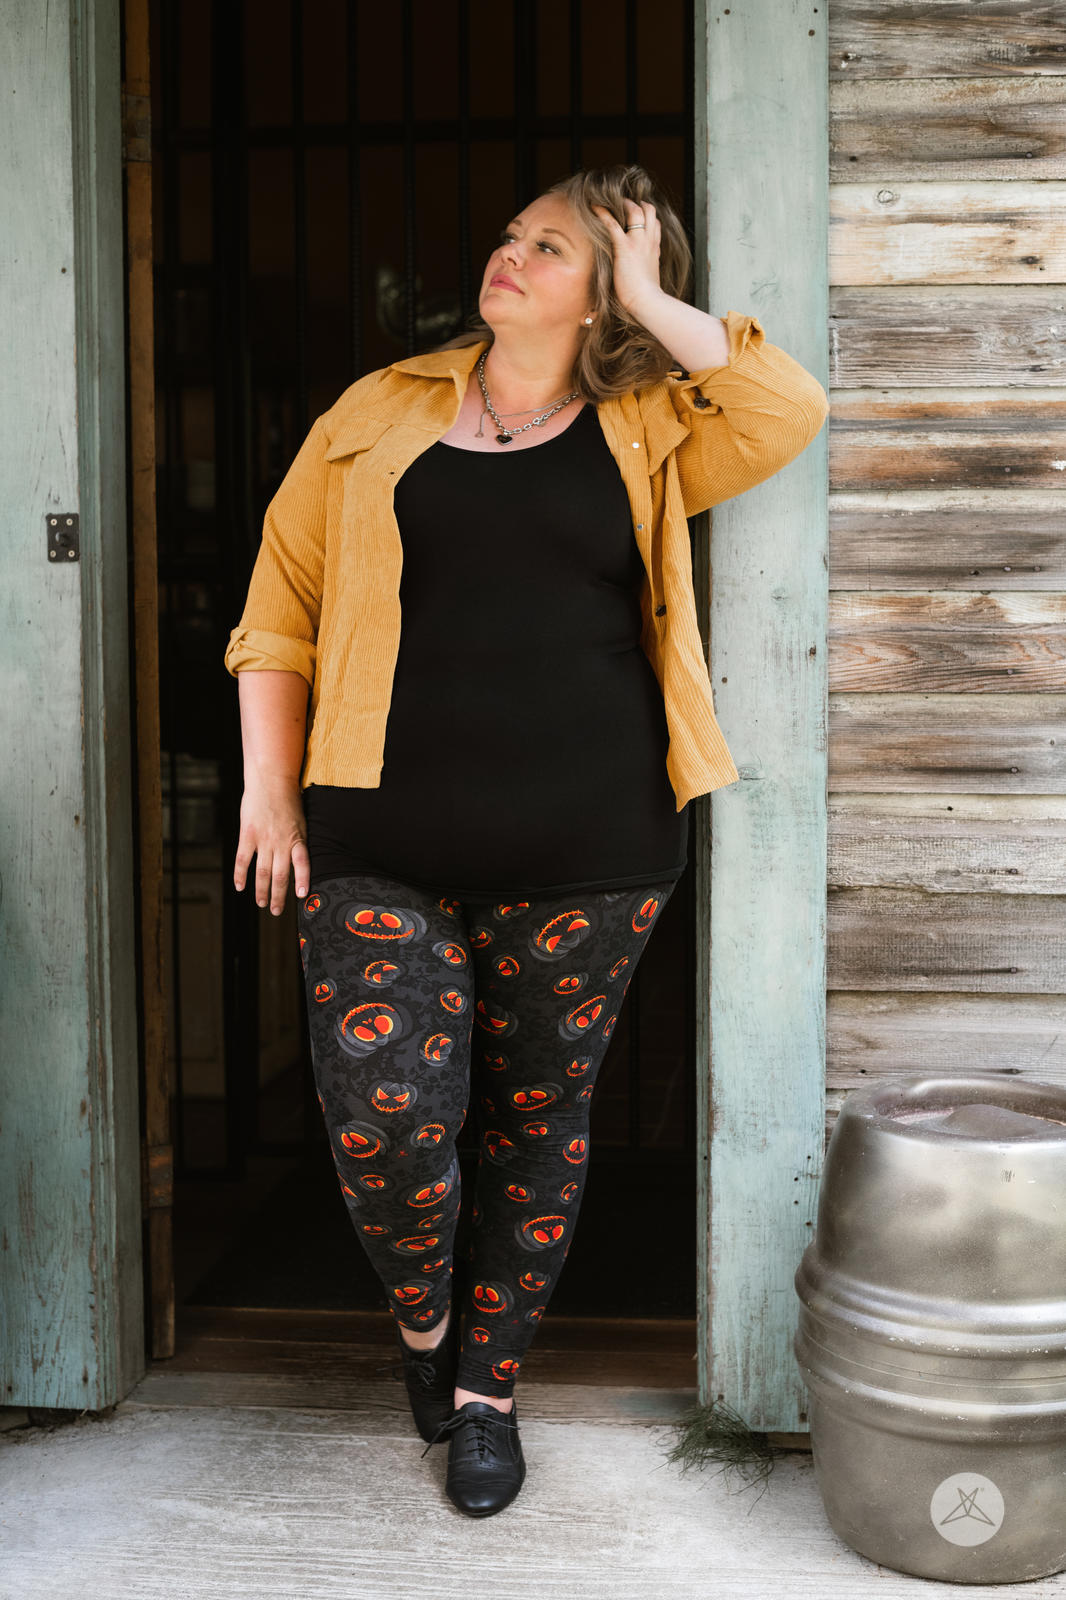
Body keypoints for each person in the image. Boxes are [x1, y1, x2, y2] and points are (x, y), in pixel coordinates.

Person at [224, 163, 829, 1518]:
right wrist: (270, 788)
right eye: (513, 235)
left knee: (538, 1121)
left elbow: (784, 406)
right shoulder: (375, 410)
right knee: (388, 1117)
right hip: (378, 832)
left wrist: (648, 295)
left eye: (551, 247)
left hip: (592, 844)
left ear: (604, 290)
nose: (509, 256)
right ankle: (427, 1330)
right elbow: (281, 604)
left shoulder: (652, 422)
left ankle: (489, 1393)